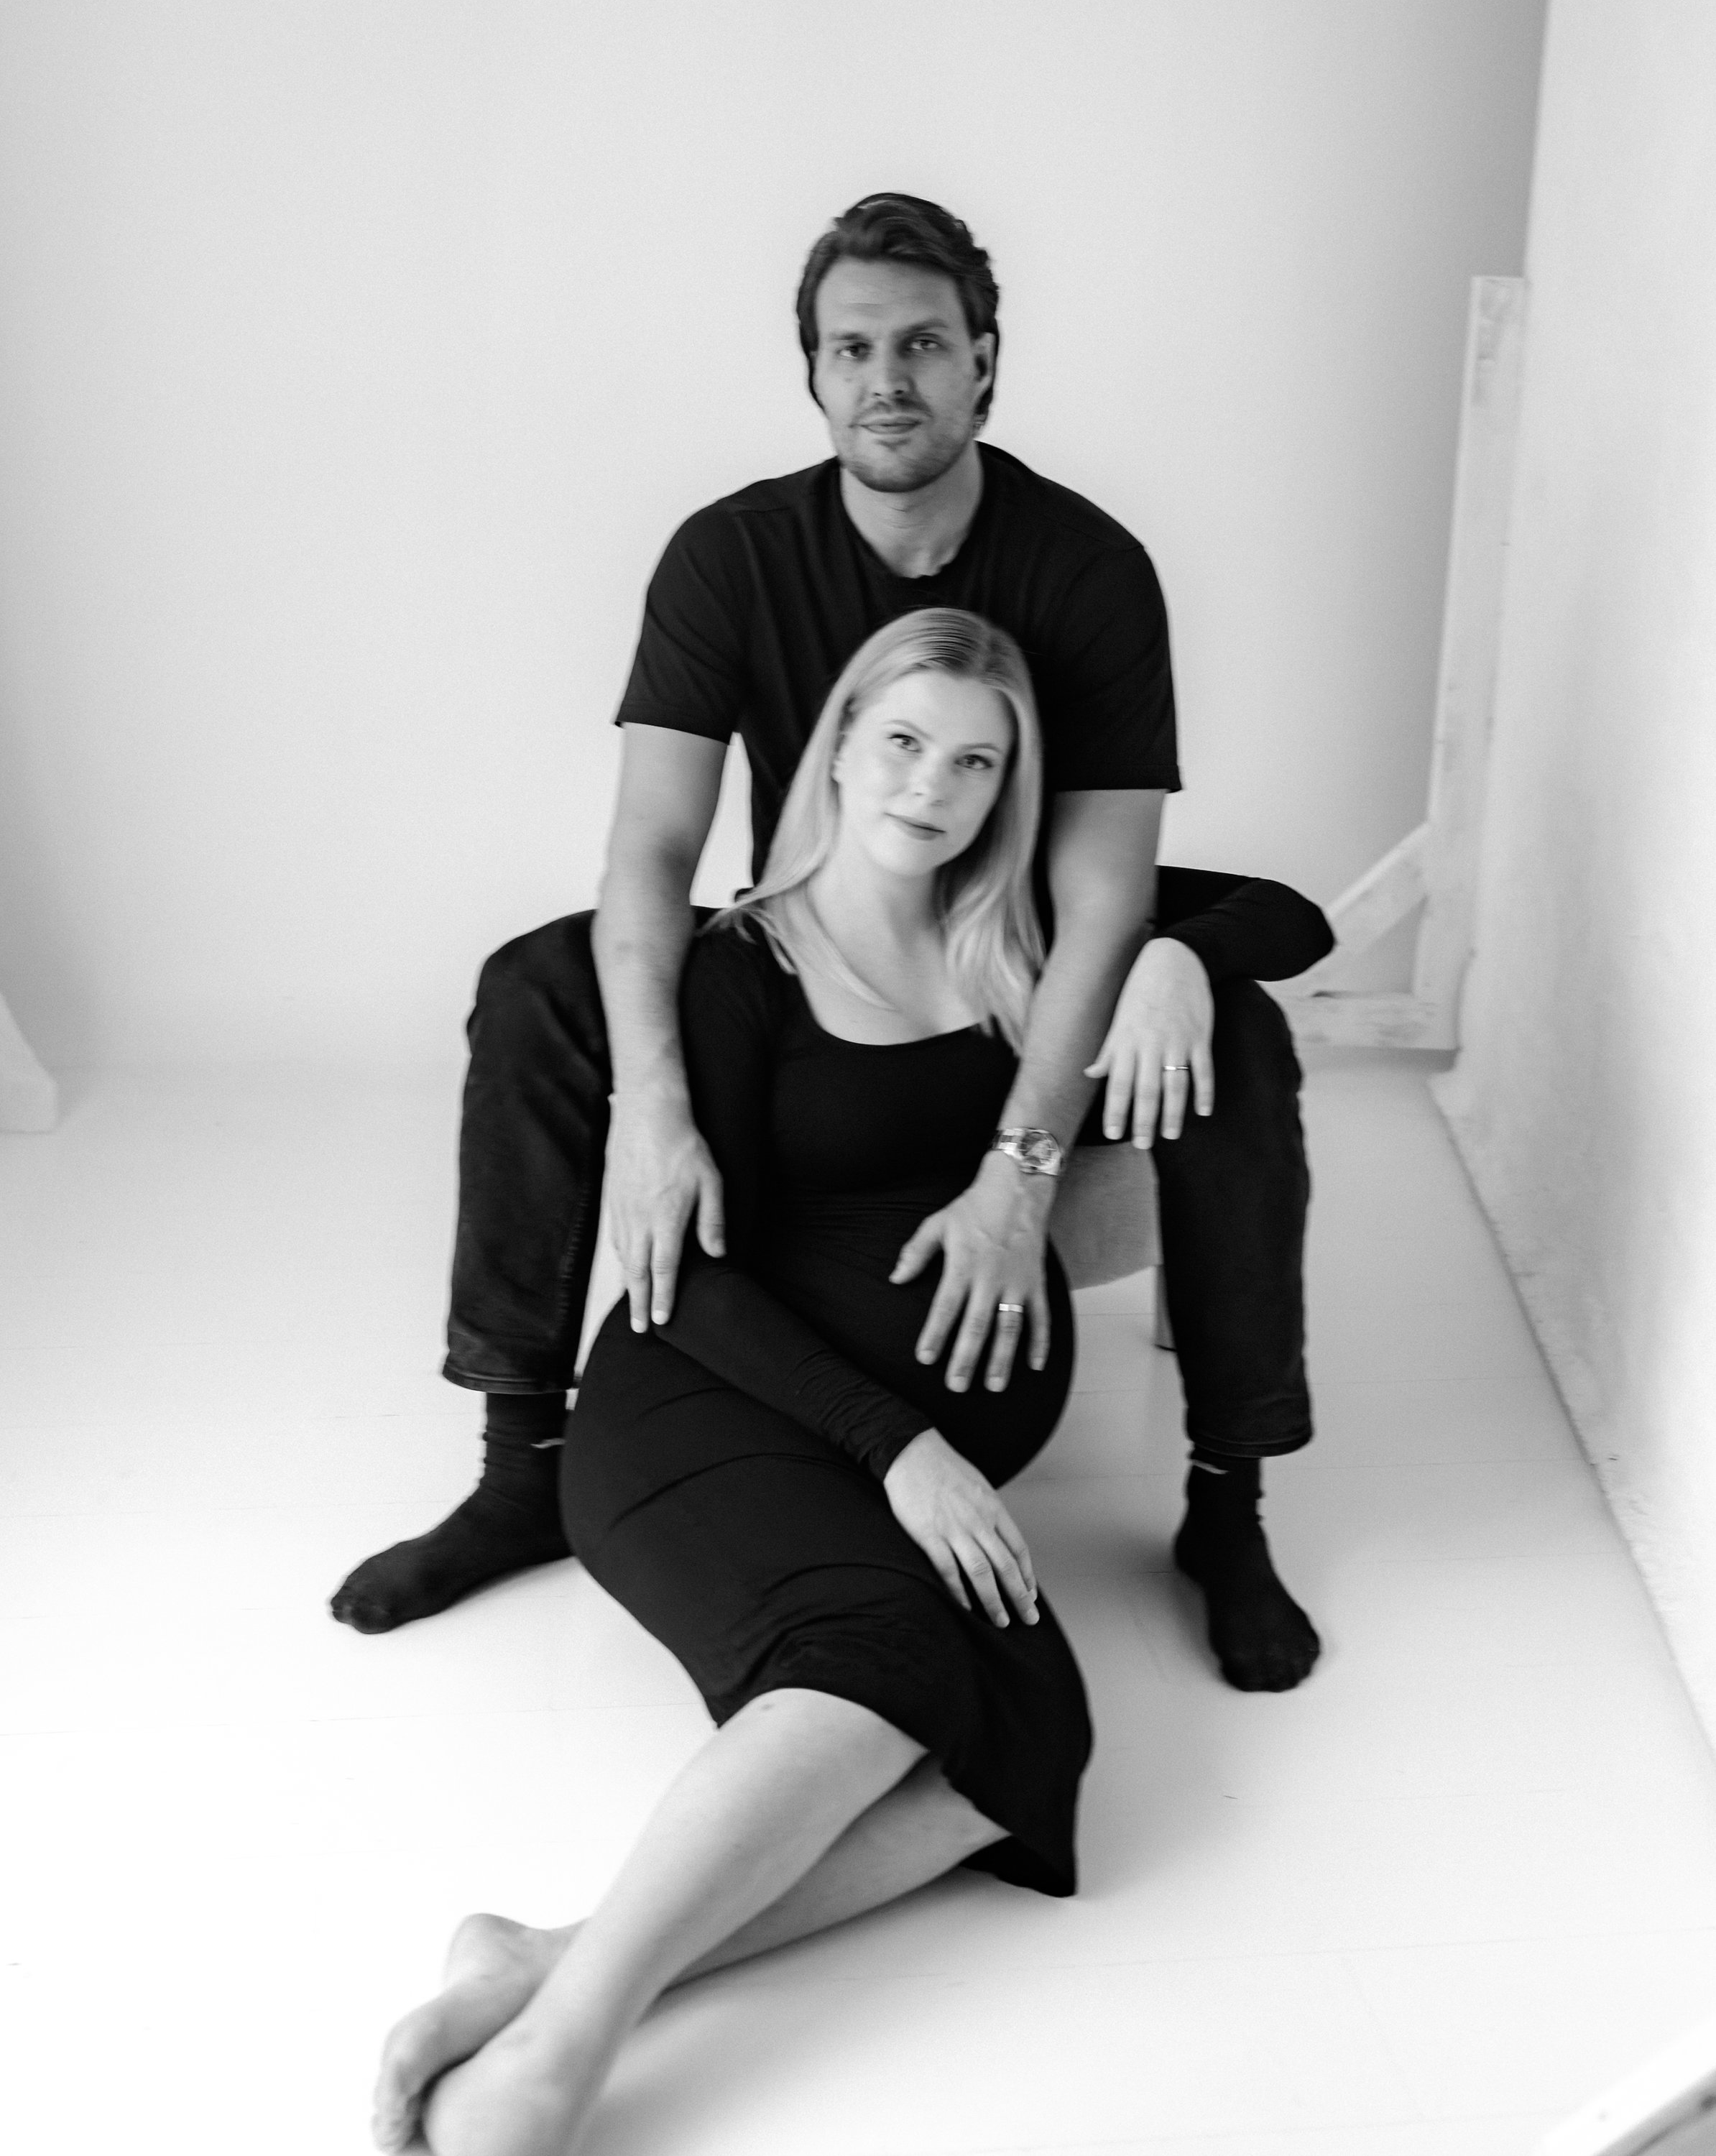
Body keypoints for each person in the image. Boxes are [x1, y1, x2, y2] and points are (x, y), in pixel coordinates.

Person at [331, 192, 1334, 1690]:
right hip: (821, 932)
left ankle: (1225, 1502)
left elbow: (1110, 890)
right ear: (810, 373)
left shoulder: (1088, 566)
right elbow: (653, 849)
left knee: (1231, 1032)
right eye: (851, 347)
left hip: (1014, 932)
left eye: (923, 343)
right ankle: (519, 1453)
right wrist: (657, 1112)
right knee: (535, 984)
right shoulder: (728, 556)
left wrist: (1022, 1167)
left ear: (985, 362)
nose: (888, 377)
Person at [373, 612, 1096, 2156]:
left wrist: (1166, 961)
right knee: (882, 1653)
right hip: (703, 1402)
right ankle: (561, 2055)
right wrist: (899, 1443)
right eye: (901, 742)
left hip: (876, 1442)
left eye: (977, 762)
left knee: (1031, 1741)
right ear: (834, 745)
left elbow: (1273, 923)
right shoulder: (739, 966)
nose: (934, 787)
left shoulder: (1015, 951)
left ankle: (539, 1960)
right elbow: (677, 1277)